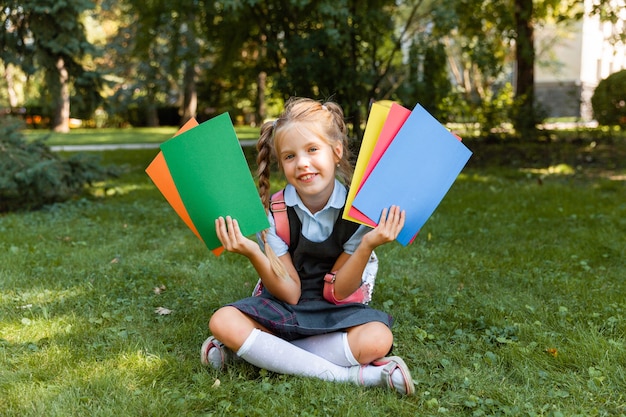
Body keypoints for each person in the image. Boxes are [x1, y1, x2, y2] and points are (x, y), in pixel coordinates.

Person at [201, 97, 415, 395]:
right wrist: (252, 251)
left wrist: (367, 244)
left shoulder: (359, 213)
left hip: (335, 307)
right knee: (223, 320)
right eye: (289, 156)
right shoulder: (274, 212)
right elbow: (289, 291)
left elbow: (339, 291)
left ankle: (262, 353)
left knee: (378, 338)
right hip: (284, 305)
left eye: (312, 149)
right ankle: (351, 377)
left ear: (336, 151)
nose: (302, 163)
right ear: (280, 162)